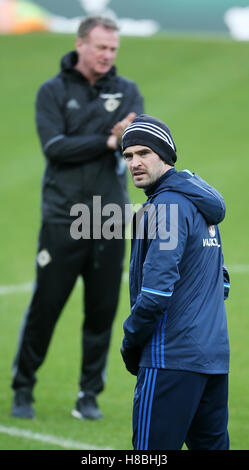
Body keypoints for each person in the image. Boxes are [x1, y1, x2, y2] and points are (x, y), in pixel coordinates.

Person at [11, 16, 144, 420]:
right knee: (46, 306)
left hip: (107, 217)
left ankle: (89, 394)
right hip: (62, 217)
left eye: (114, 49)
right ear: (81, 44)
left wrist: (117, 139)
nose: (108, 56)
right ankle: (24, 388)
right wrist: (107, 137)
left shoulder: (127, 91)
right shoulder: (52, 91)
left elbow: (134, 143)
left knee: (102, 310)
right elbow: (55, 147)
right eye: (101, 47)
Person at [120, 114, 230, 450]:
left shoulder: (166, 207)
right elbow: (221, 284)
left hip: (169, 359)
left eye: (144, 153)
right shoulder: (199, 204)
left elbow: (154, 293)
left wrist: (131, 341)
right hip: (212, 360)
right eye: (128, 156)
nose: (135, 163)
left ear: (164, 155)